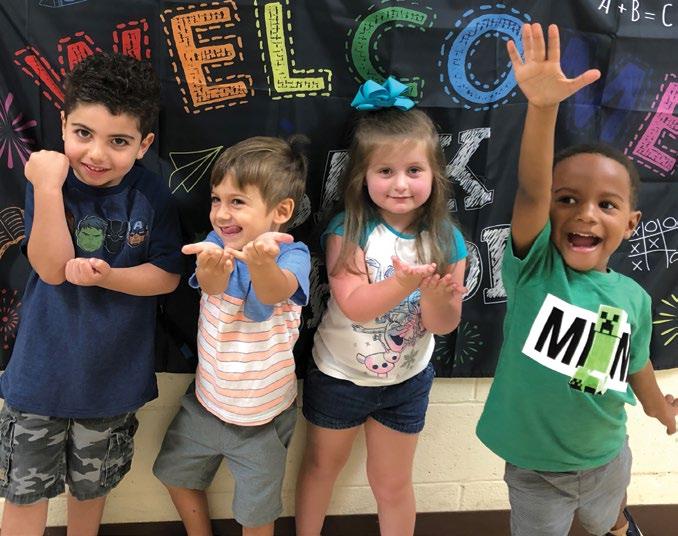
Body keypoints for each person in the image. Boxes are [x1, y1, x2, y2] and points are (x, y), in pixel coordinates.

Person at [475, 23, 678, 536]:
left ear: (630, 224)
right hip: (538, 472)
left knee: (607, 515)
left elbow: (635, 361)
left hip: (607, 454)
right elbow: (530, 190)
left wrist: (657, 406)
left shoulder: (632, 297)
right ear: (548, 213)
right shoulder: (535, 268)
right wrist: (543, 109)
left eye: (606, 205)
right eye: (567, 200)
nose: (585, 214)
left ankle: (617, 526)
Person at [0, 53, 184, 535]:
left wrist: (107, 277)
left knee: (90, 492)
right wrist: (46, 187)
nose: (97, 154)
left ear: (143, 144)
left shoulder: (152, 195)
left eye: (118, 141)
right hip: (39, 376)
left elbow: (167, 276)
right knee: (24, 494)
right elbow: (51, 269)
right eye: (83, 133)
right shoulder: (49, 182)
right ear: (63, 124)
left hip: (111, 380)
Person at [295, 77, 468, 536]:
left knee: (392, 484)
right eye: (385, 171)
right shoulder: (347, 229)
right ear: (363, 176)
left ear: (434, 175)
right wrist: (404, 282)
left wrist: (437, 300)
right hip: (339, 376)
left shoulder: (447, 240)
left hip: (406, 382)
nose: (400, 184)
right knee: (321, 470)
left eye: (414, 170)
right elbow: (354, 305)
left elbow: (443, 325)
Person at [153, 136, 311, 536]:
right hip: (206, 405)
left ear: (281, 211)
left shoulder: (294, 255)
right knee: (173, 473)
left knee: (257, 513)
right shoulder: (214, 244)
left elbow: (272, 295)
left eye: (237, 201)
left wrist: (261, 264)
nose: (221, 213)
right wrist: (212, 267)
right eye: (216, 199)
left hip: (263, 419)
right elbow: (210, 285)